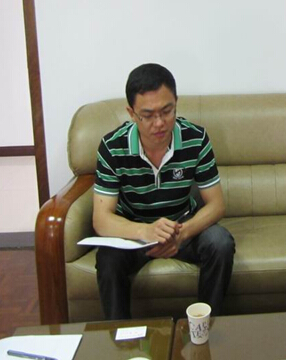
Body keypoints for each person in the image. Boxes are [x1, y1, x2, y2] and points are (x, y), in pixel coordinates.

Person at [93, 63, 235, 320]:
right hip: (134, 231)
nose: (159, 123)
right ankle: (123, 336)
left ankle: (205, 327)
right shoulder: (112, 147)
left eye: (167, 111)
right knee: (108, 259)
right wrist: (145, 232)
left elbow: (217, 205)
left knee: (220, 242)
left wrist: (181, 235)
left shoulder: (195, 138)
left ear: (176, 103)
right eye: (147, 115)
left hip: (181, 227)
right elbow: (101, 219)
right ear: (131, 113)